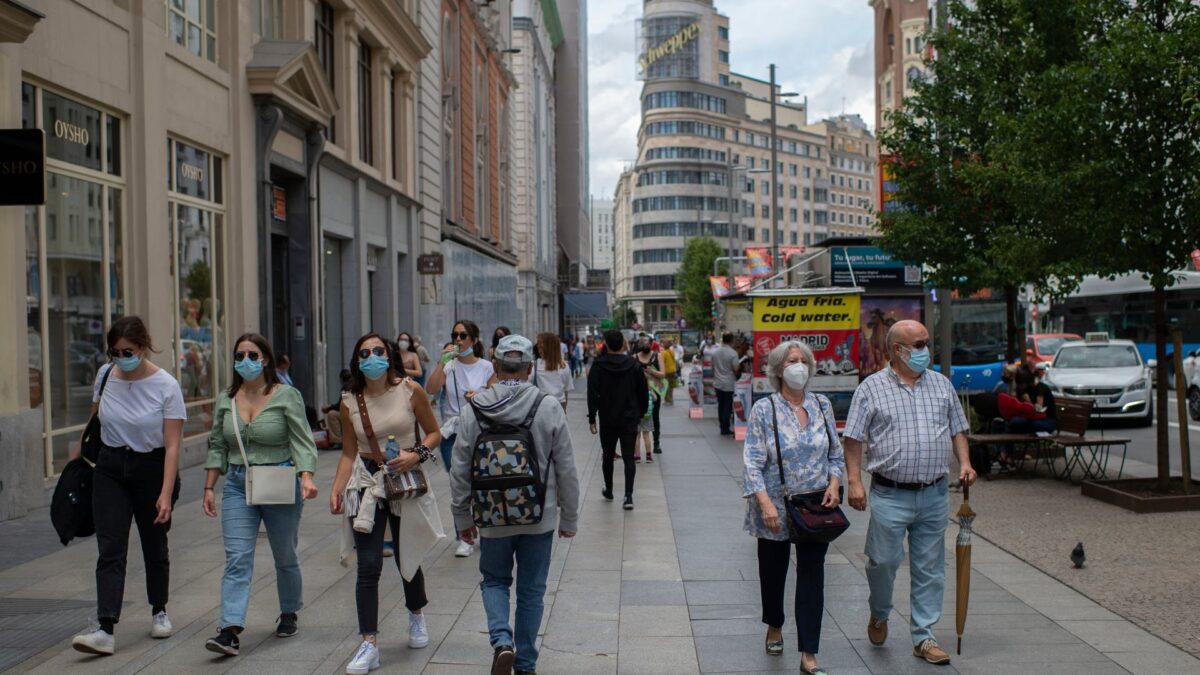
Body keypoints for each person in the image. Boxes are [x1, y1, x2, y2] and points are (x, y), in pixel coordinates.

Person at [843, 320, 977, 666]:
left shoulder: (941, 385)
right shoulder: (871, 388)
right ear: (896, 350)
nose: (924, 350)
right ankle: (880, 612)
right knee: (883, 562)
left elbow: (958, 429)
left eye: (926, 343)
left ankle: (924, 635)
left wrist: (964, 462)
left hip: (933, 493)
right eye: (917, 345)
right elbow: (853, 439)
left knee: (930, 567)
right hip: (890, 493)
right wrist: (854, 482)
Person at [450, 334, 580, 675]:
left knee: (494, 581)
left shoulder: (474, 408)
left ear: (494, 366)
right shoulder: (547, 405)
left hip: (492, 517)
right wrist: (570, 517)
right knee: (532, 590)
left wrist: (462, 516)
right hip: (540, 516)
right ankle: (525, 663)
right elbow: (566, 467)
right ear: (529, 367)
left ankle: (501, 642)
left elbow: (460, 468)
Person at [330, 334, 444, 674]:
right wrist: (337, 488)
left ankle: (416, 614)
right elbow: (349, 452)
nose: (372, 357)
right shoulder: (350, 399)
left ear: (390, 355)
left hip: (403, 479)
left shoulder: (410, 390)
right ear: (357, 360)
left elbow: (434, 434)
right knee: (368, 565)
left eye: (379, 351)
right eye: (364, 353)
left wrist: (416, 454)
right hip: (365, 483)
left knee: (408, 553)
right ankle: (369, 643)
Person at [71, 317, 185, 656]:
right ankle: (105, 626)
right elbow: (95, 418)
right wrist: (78, 459)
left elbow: (173, 445)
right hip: (109, 468)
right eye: (116, 352)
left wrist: (165, 493)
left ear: (144, 346)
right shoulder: (106, 375)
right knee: (110, 546)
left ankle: (159, 609)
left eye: (129, 351)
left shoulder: (166, 385)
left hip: (151, 468)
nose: (122, 358)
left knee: (154, 544)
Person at [201, 334, 319, 655]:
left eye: (253, 355)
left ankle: (289, 610)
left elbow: (302, 441)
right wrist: (210, 486)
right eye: (240, 355)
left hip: (279, 479)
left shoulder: (286, 396)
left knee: (285, 555)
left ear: (265, 359)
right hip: (239, 483)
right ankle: (229, 629)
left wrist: (306, 477)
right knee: (237, 558)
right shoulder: (227, 399)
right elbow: (217, 445)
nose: (246, 361)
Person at [743, 341, 844, 674]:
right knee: (773, 574)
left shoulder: (822, 405)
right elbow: (753, 462)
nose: (798, 366)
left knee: (812, 575)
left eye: (803, 360)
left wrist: (834, 483)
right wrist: (765, 503)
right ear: (777, 369)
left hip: (815, 506)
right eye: (791, 361)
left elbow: (835, 453)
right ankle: (774, 623)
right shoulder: (765, 409)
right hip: (773, 504)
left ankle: (809, 653)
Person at [426, 319, 495, 558]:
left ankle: (485, 531)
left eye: (463, 335)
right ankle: (464, 535)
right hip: (452, 432)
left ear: (474, 340)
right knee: (459, 484)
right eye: (455, 335)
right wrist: (441, 363)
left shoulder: (486, 367)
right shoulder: (449, 366)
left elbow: (497, 394)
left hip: (479, 429)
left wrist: (480, 394)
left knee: (481, 482)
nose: (458, 340)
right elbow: (431, 389)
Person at [587, 330, 649, 510]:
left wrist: (592, 418)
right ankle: (628, 495)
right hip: (629, 418)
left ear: (605, 344)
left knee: (608, 455)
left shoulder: (598, 366)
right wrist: (640, 413)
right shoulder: (634, 365)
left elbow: (592, 394)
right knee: (629, 457)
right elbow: (643, 393)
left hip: (607, 418)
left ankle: (609, 489)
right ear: (623, 344)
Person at [634, 338, 666, 460]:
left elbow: (663, 373)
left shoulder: (657, 356)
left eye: (648, 344)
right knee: (638, 420)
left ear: (651, 345)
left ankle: (656, 443)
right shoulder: (634, 357)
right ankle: (641, 452)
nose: (646, 346)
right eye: (643, 344)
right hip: (638, 393)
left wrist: (651, 371)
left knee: (655, 417)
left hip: (654, 393)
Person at [532, 332, 574, 410]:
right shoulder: (563, 366)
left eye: (541, 346)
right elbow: (565, 392)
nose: (538, 348)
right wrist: (564, 411)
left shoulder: (534, 365)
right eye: (538, 345)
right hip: (558, 405)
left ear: (549, 347)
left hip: (541, 406)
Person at [712, 333, 740, 436]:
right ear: (731, 340)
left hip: (718, 383)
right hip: (729, 383)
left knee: (721, 405)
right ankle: (725, 428)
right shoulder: (733, 353)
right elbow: (736, 369)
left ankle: (722, 426)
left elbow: (713, 368)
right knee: (728, 406)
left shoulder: (715, 353)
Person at [659, 339, 678, 406]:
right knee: (671, 386)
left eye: (663, 344)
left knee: (666, 386)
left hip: (667, 371)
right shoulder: (671, 351)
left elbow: (661, 362)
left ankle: (667, 401)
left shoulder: (663, 353)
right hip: (673, 371)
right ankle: (671, 400)